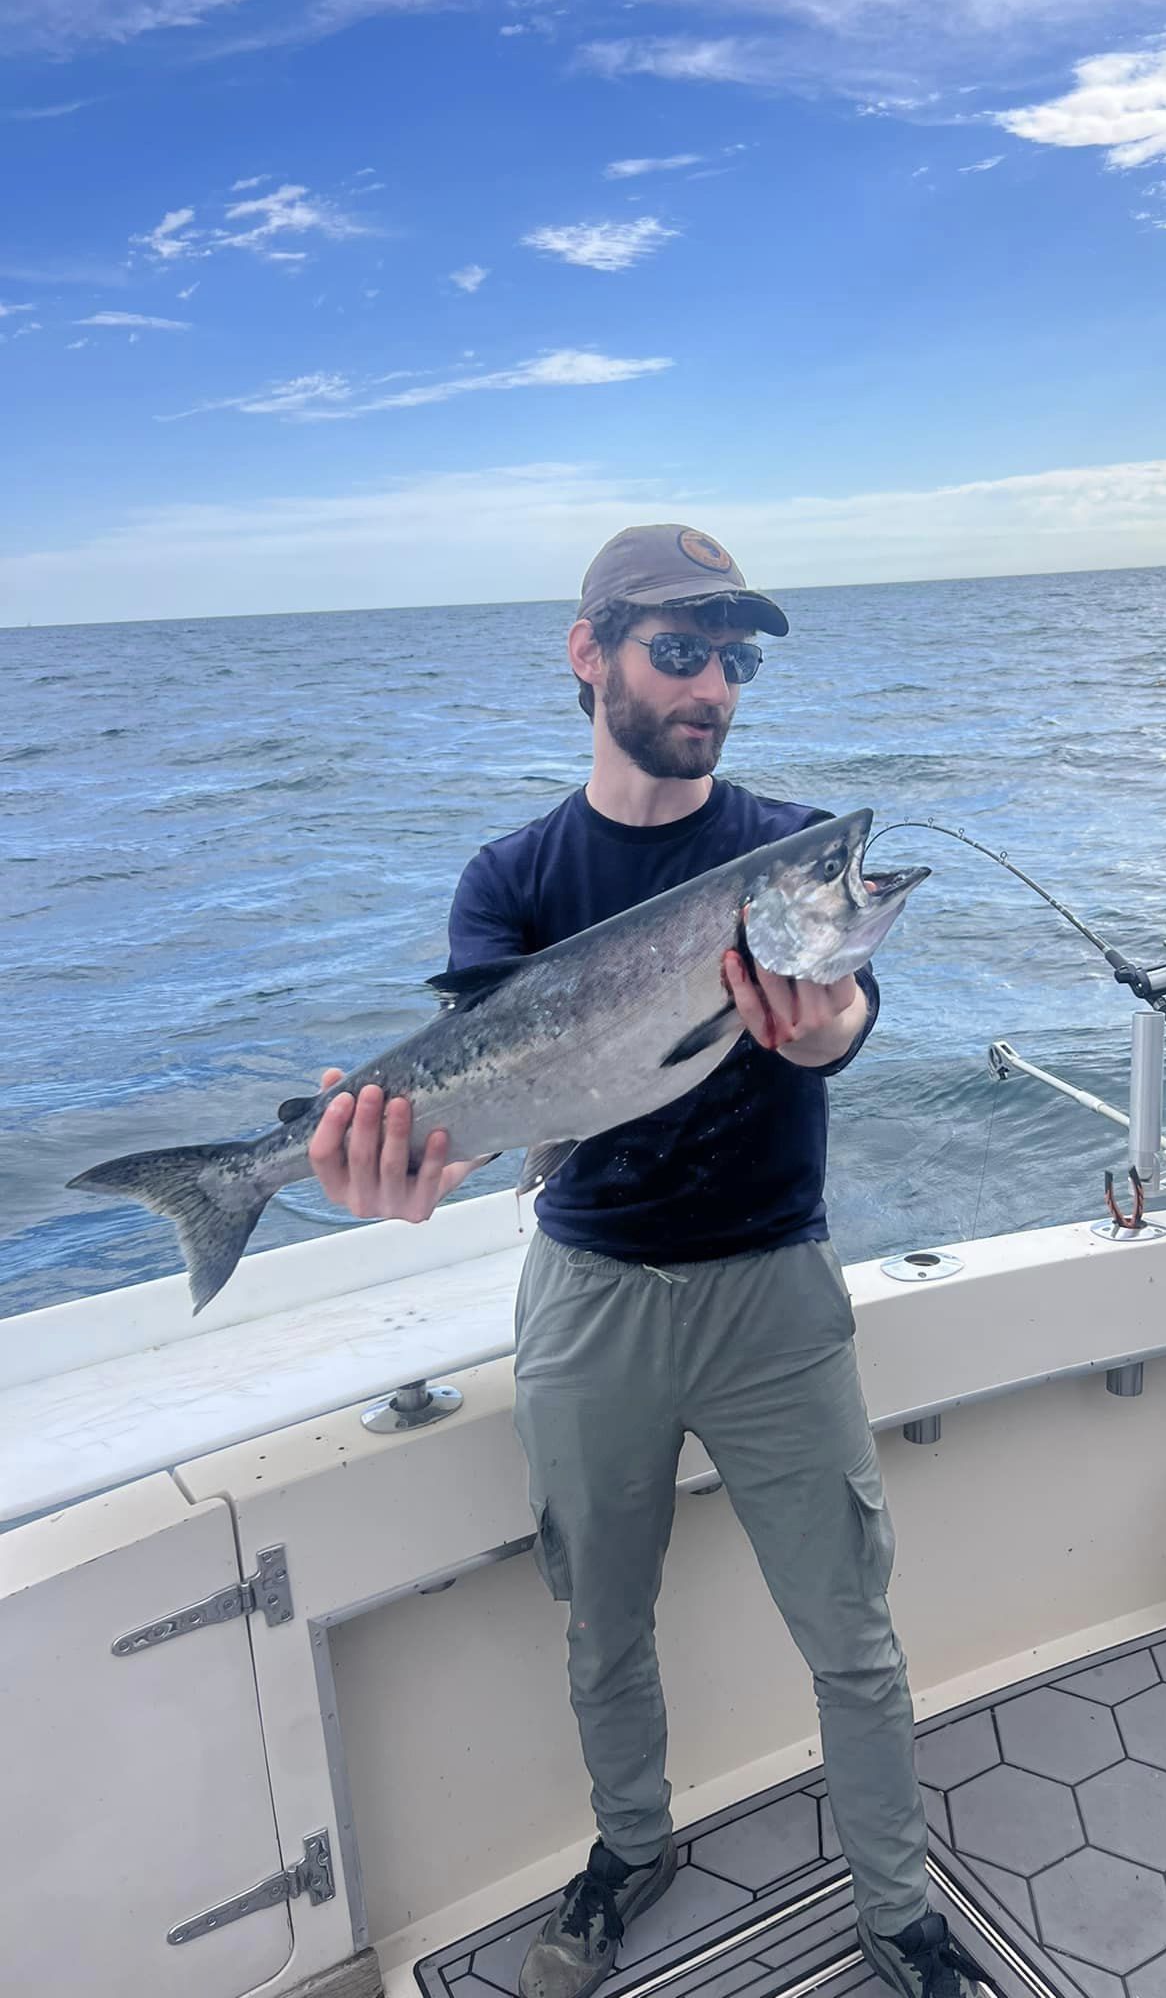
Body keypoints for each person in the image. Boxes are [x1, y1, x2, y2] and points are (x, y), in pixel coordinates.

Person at [306, 525, 982, 1998]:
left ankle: (899, 1908)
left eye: (734, 660)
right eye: (681, 650)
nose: (714, 687)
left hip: (774, 1295)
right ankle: (632, 1850)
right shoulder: (513, 876)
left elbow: (849, 1009)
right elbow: (473, 1101)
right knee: (602, 1624)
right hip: (590, 1301)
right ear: (588, 652)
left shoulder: (789, 851)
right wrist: (402, 1169)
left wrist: (834, 1025)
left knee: (852, 1634)